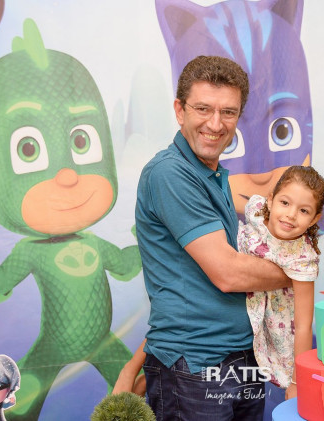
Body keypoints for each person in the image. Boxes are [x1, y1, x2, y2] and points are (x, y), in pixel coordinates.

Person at [135, 55, 291, 420]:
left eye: (228, 112)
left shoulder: (214, 175)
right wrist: (298, 270)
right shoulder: (170, 173)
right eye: (203, 109)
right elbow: (229, 273)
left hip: (242, 357)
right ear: (180, 110)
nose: (215, 124)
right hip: (195, 365)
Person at [238, 165, 324, 400]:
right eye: (285, 203)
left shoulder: (302, 258)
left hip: (272, 320)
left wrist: (298, 382)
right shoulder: (257, 211)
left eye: (304, 210)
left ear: (314, 219)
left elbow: (304, 324)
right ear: (270, 200)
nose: (291, 215)